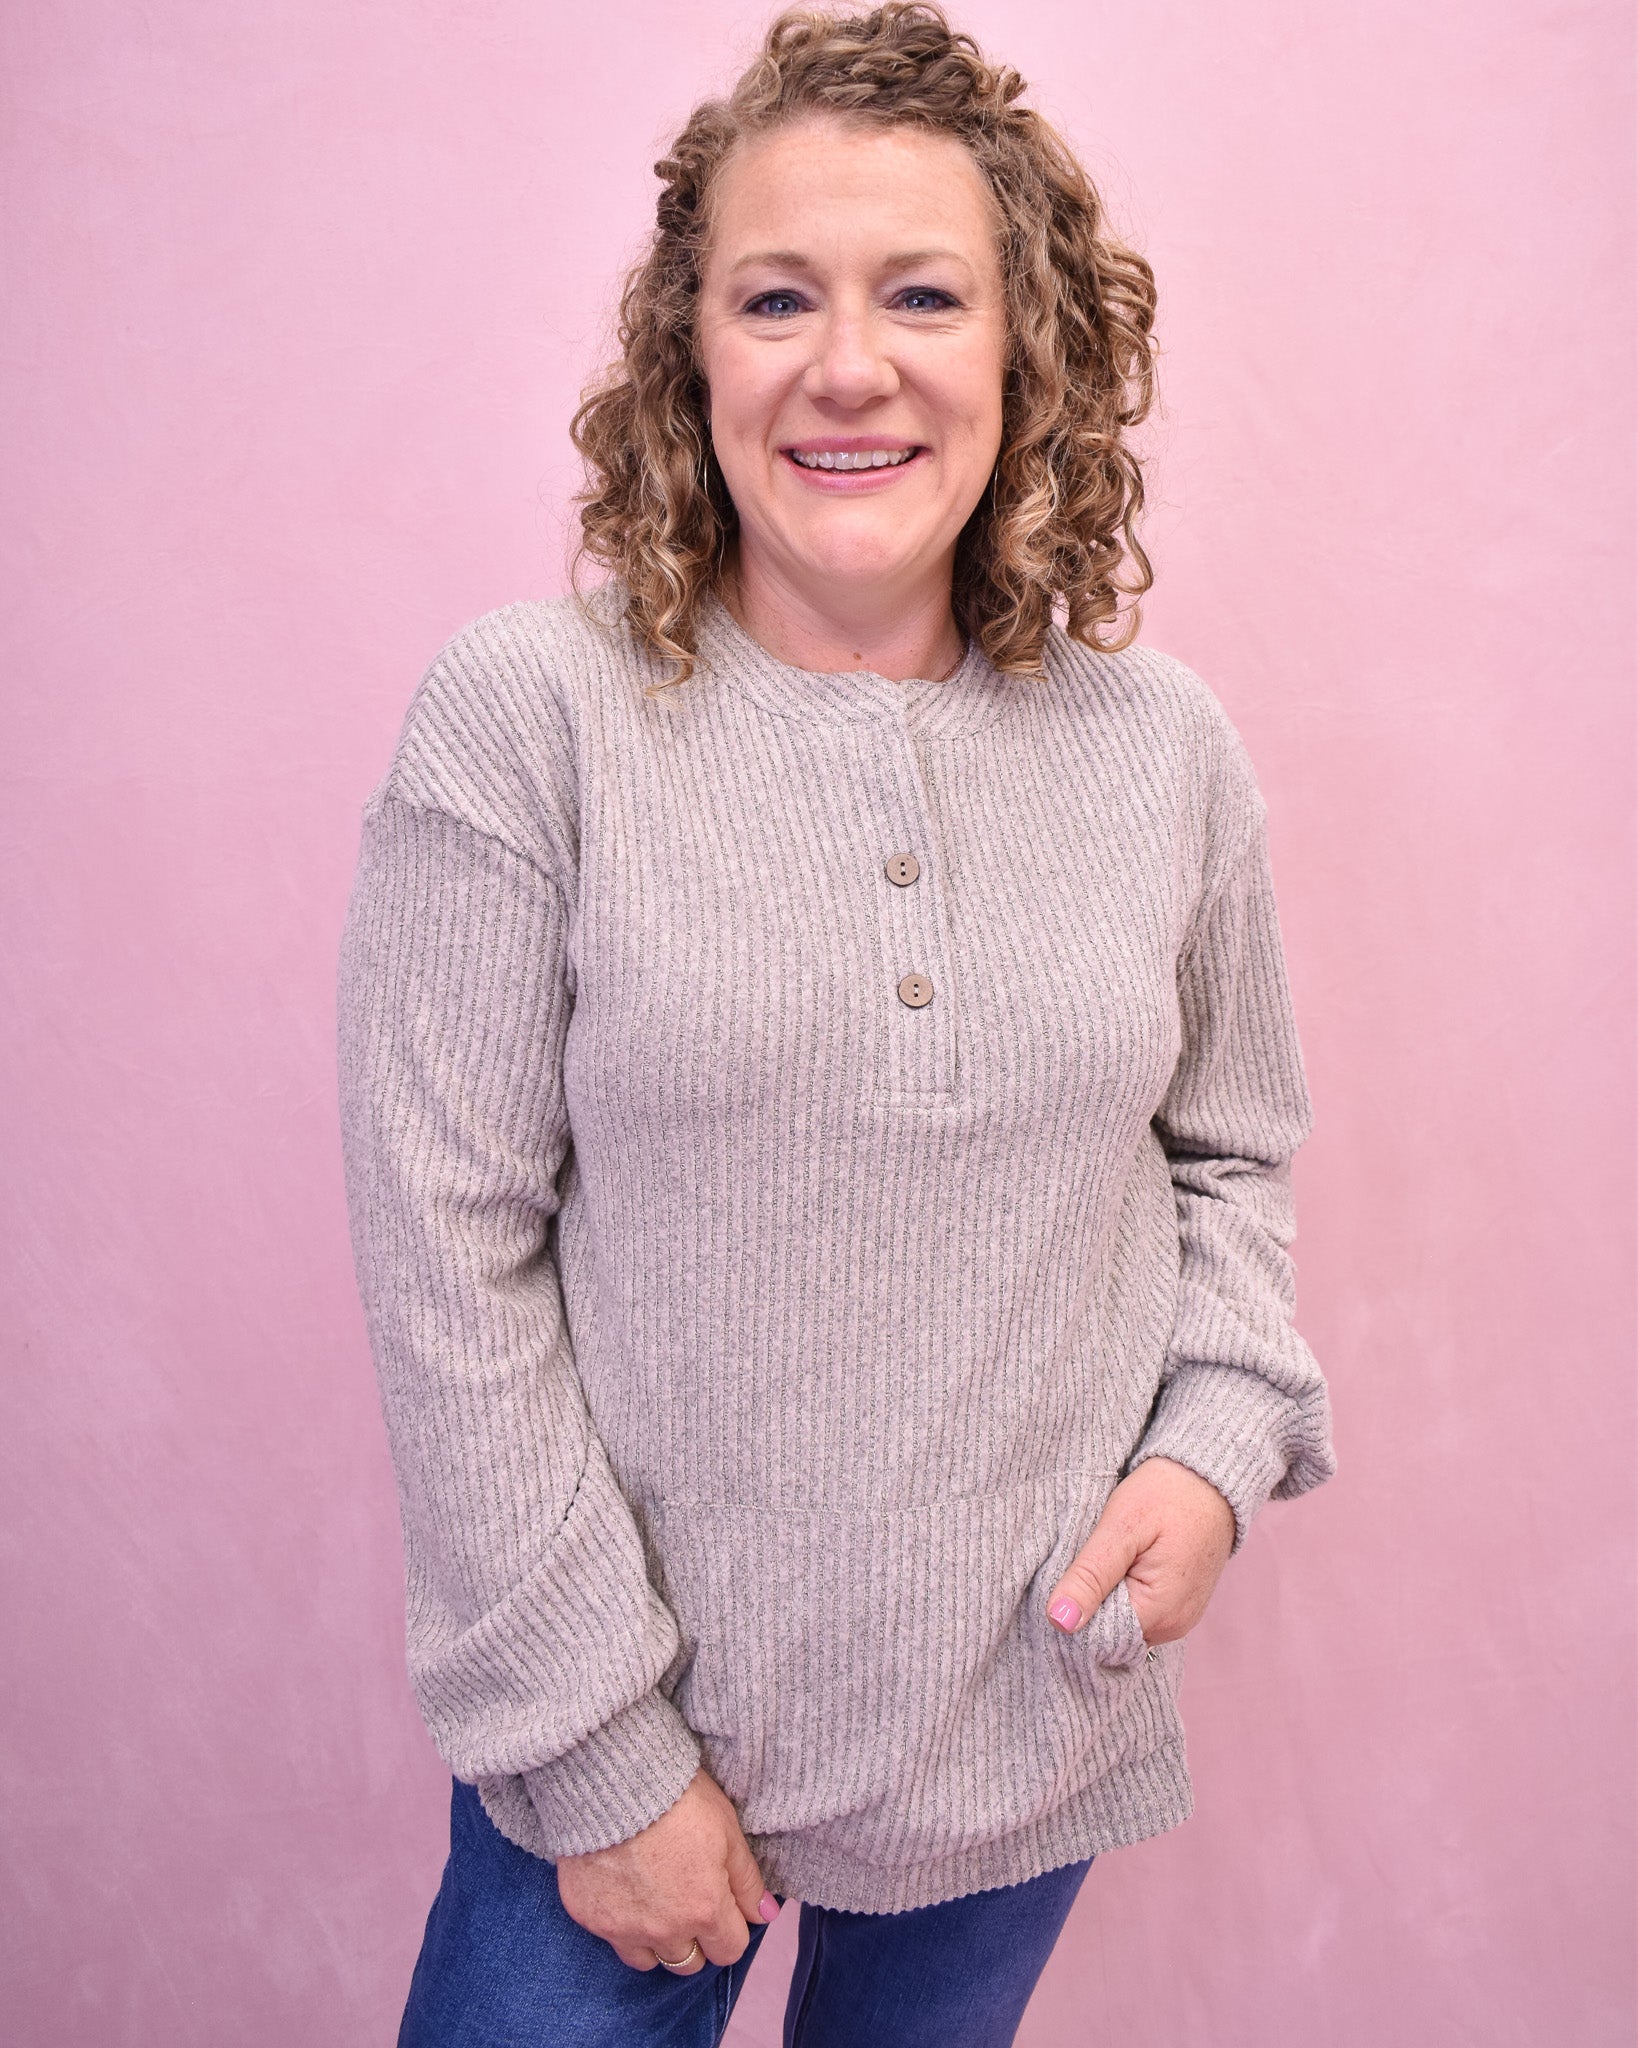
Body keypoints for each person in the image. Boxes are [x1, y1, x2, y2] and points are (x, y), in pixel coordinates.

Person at [335, 5, 1338, 2042]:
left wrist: (1216, 1447)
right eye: (776, 295)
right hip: (618, 1755)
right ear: (687, 352)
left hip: (1027, 1723)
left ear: (1025, 350)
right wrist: (601, 1758)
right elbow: (447, 1259)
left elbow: (1231, 1149)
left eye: (923, 295)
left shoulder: (1163, 749)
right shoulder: (528, 720)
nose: (849, 363)